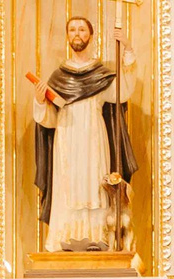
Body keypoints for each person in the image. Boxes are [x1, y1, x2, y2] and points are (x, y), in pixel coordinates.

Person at [27, 13, 137, 253]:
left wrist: (127, 49)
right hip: (66, 137)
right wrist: (39, 101)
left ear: (91, 35)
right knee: (68, 184)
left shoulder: (100, 74)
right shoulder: (58, 77)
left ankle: (97, 237)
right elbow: (49, 120)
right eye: (73, 30)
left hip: (94, 137)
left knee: (94, 184)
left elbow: (123, 92)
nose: (77, 34)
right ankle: (65, 238)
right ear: (67, 36)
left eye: (82, 30)